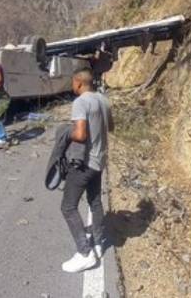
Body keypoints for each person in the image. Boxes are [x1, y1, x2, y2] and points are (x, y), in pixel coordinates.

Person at [60, 67, 113, 273]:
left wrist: (67, 132)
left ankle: (85, 253)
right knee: (95, 201)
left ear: (79, 82)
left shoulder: (80, 102)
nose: (72, 86)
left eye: (73, 83)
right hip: (100, 161)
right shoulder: (103, 100)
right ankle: (98, 243)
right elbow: (111, 127)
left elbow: (80, 135)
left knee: (68, 207)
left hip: (84, 164)